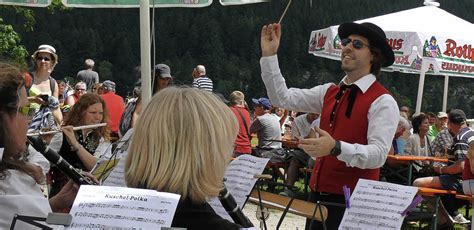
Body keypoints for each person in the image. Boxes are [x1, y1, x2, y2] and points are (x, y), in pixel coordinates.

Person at [260, 22, 398, 228]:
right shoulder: (329, 91)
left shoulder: (383, 101)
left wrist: (336, 147)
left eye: (358, 44)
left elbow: (378, 155)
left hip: (353, 203)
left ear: (374, 56)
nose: (347, 47)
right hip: (318, 195)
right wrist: (270, 56)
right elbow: (282, 98)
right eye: (345, 42)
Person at [124, 87, 243, 229]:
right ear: (206, 154)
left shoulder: (116, 211)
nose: (229, 154)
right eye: (228, 145)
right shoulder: (209, 224)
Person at [0, 62, 79, 229]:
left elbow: (20, 219)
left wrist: (55, 203)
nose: (29, 119)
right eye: (25, 110)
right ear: (4, 118)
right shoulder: (10, 184)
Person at [413, 109, 472, 225]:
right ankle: (449, 214)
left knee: (418, 183)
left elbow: (461, 166)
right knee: (435, 179)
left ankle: (443, 221)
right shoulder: (471, 133)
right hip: (468, 180)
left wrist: (441, 169)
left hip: (462, 181)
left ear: (450, 123)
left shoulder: (461, 138)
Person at [48, 93, 112, 197]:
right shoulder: (62, 135)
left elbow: (95, 167)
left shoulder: (101, 139)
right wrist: (45, 142)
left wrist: (75, 144)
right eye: (93, 112)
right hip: (62, 194)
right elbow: (45, 163)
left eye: (100, 113)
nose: (98, 118)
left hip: (88, 194)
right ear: (81, 113)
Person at [118, 64, 172, 137]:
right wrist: (134, 135)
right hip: (147, 132)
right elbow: (137, 113)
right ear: (155, 77)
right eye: (162, 78)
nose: (165, 81)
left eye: (168, 79)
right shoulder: (147, 94)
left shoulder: (169, 94)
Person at [29, 44, 62, 129]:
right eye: (40, 58)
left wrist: (63, 125)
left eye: (46, 59)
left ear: (52, 62)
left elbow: (55, 108)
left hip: (43, 127)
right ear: (36, 60)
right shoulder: (27, 78)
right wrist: (33, 99)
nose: (43, 61)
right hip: (23, 123)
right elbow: (14, 100)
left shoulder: (53, 83)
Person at [228, 91, 252, 157]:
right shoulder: (246, 112)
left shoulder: (229, 111)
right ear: (242, 101)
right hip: (247, 148)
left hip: (235, 148)